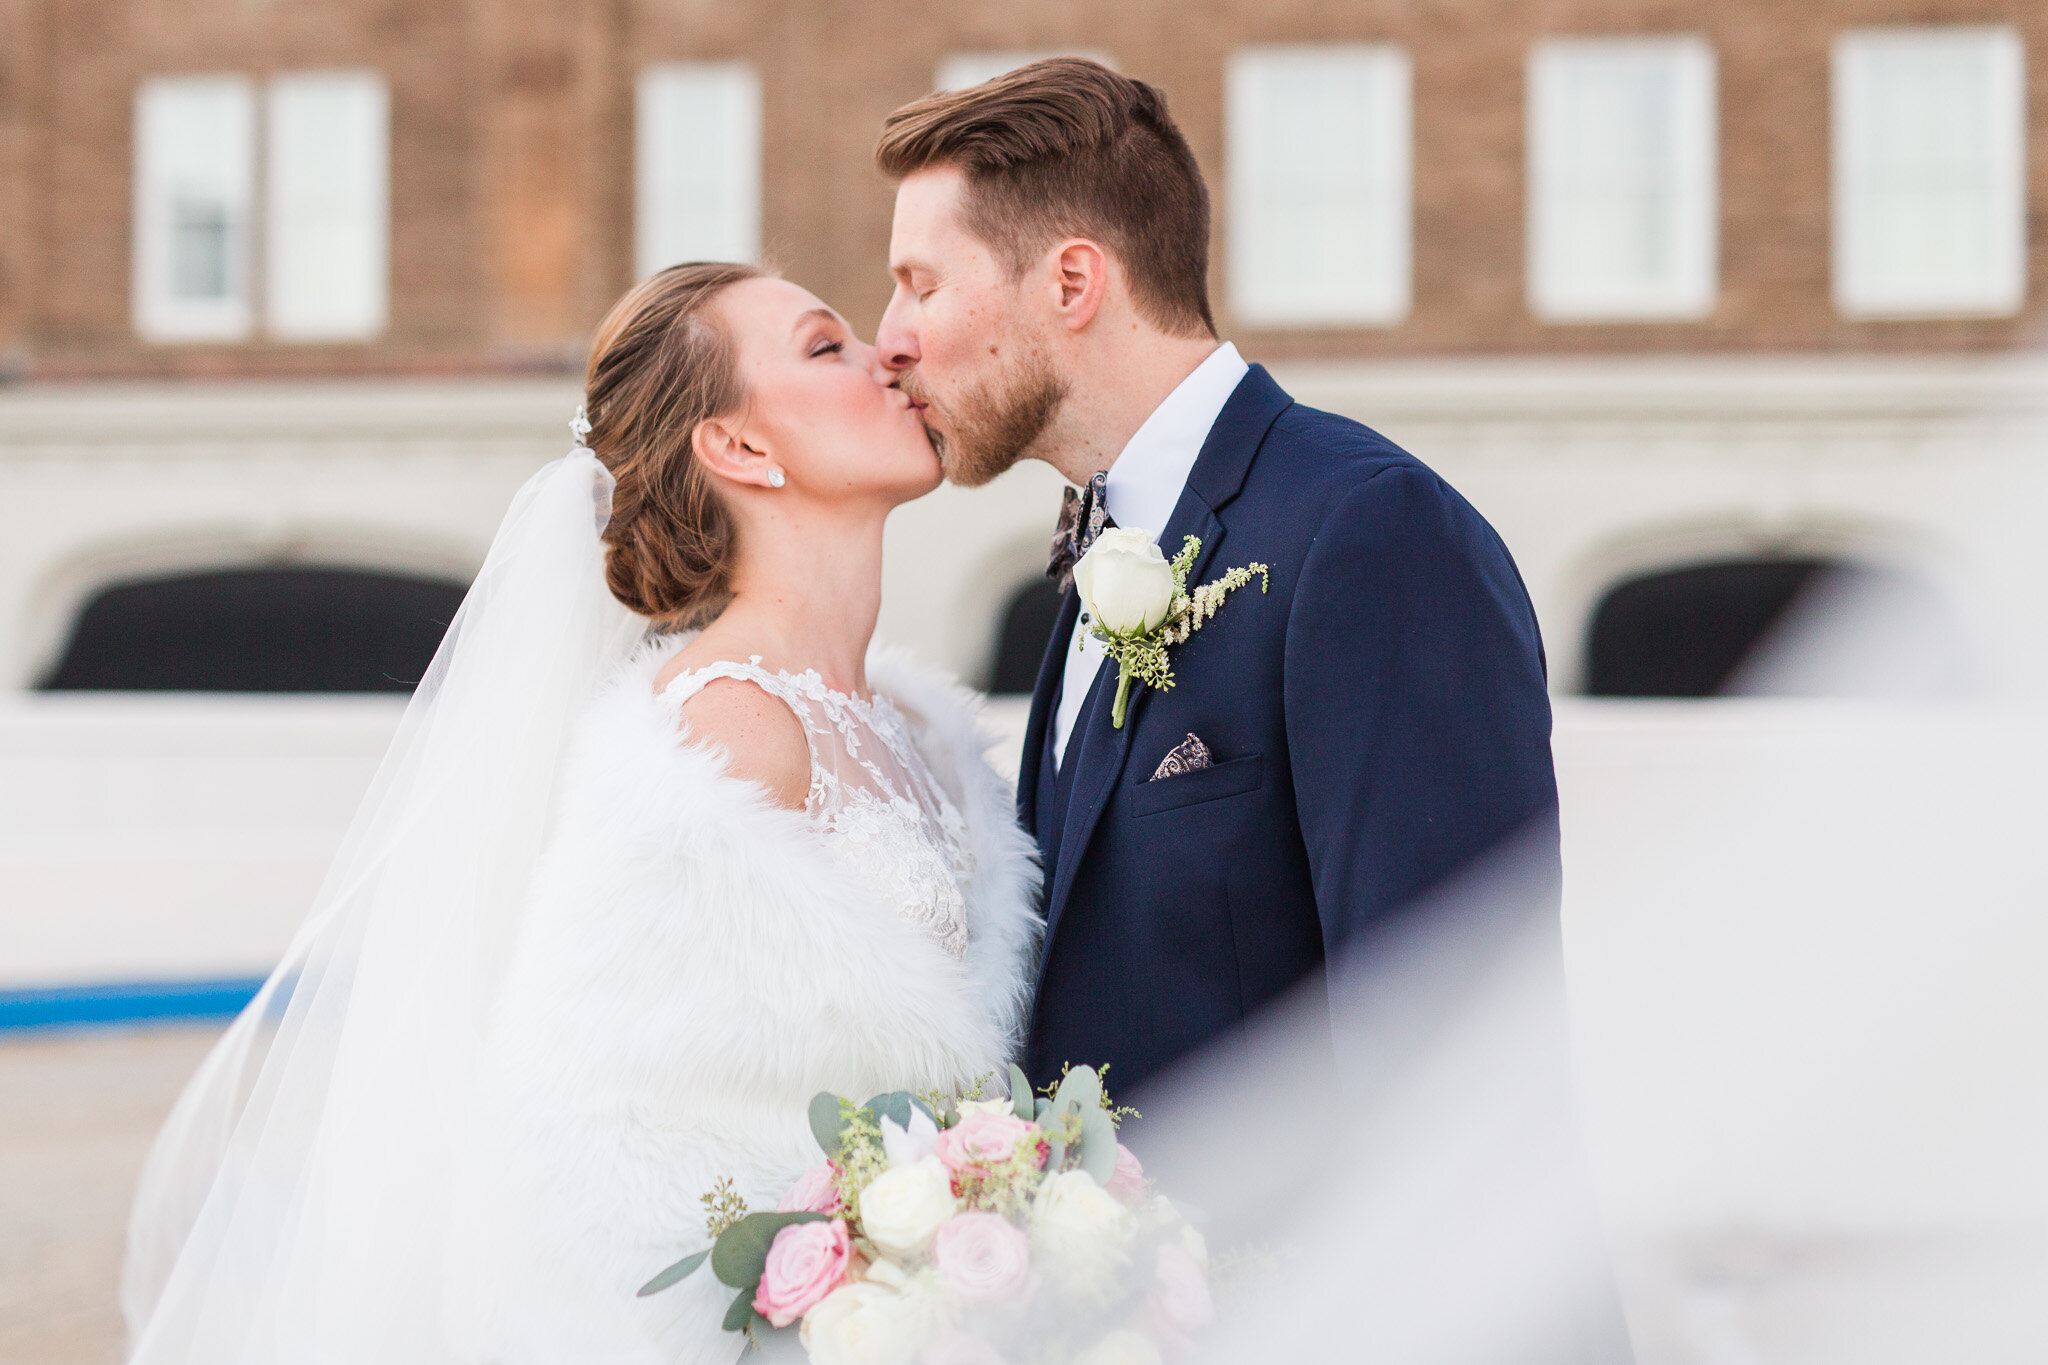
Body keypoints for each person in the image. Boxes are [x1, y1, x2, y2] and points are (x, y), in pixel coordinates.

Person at [120, 263, 1041, 1363]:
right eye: (822, 346)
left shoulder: (924, 730)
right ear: (740, 449)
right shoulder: (716, 742)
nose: (886, 356)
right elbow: (585, 1151)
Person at [873, 59, 1561, 1095]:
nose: (889, 340)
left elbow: (1455, 1043)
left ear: (1070, 282)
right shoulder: (1094, 549)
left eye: (921, 286)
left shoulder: (1368, 532)